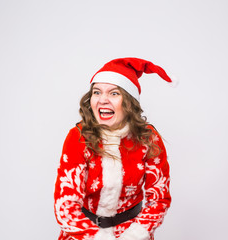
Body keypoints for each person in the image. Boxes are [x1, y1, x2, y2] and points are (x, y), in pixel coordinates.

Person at [54, 57, 175, 240]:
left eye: (114, 93)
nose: (102, 100)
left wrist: (135, 235)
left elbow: (159, 199)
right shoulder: (78, 137)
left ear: (129, 102)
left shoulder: (148, 138)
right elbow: (66, 208)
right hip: (84, 235)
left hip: (133, 233)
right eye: (96, 92)